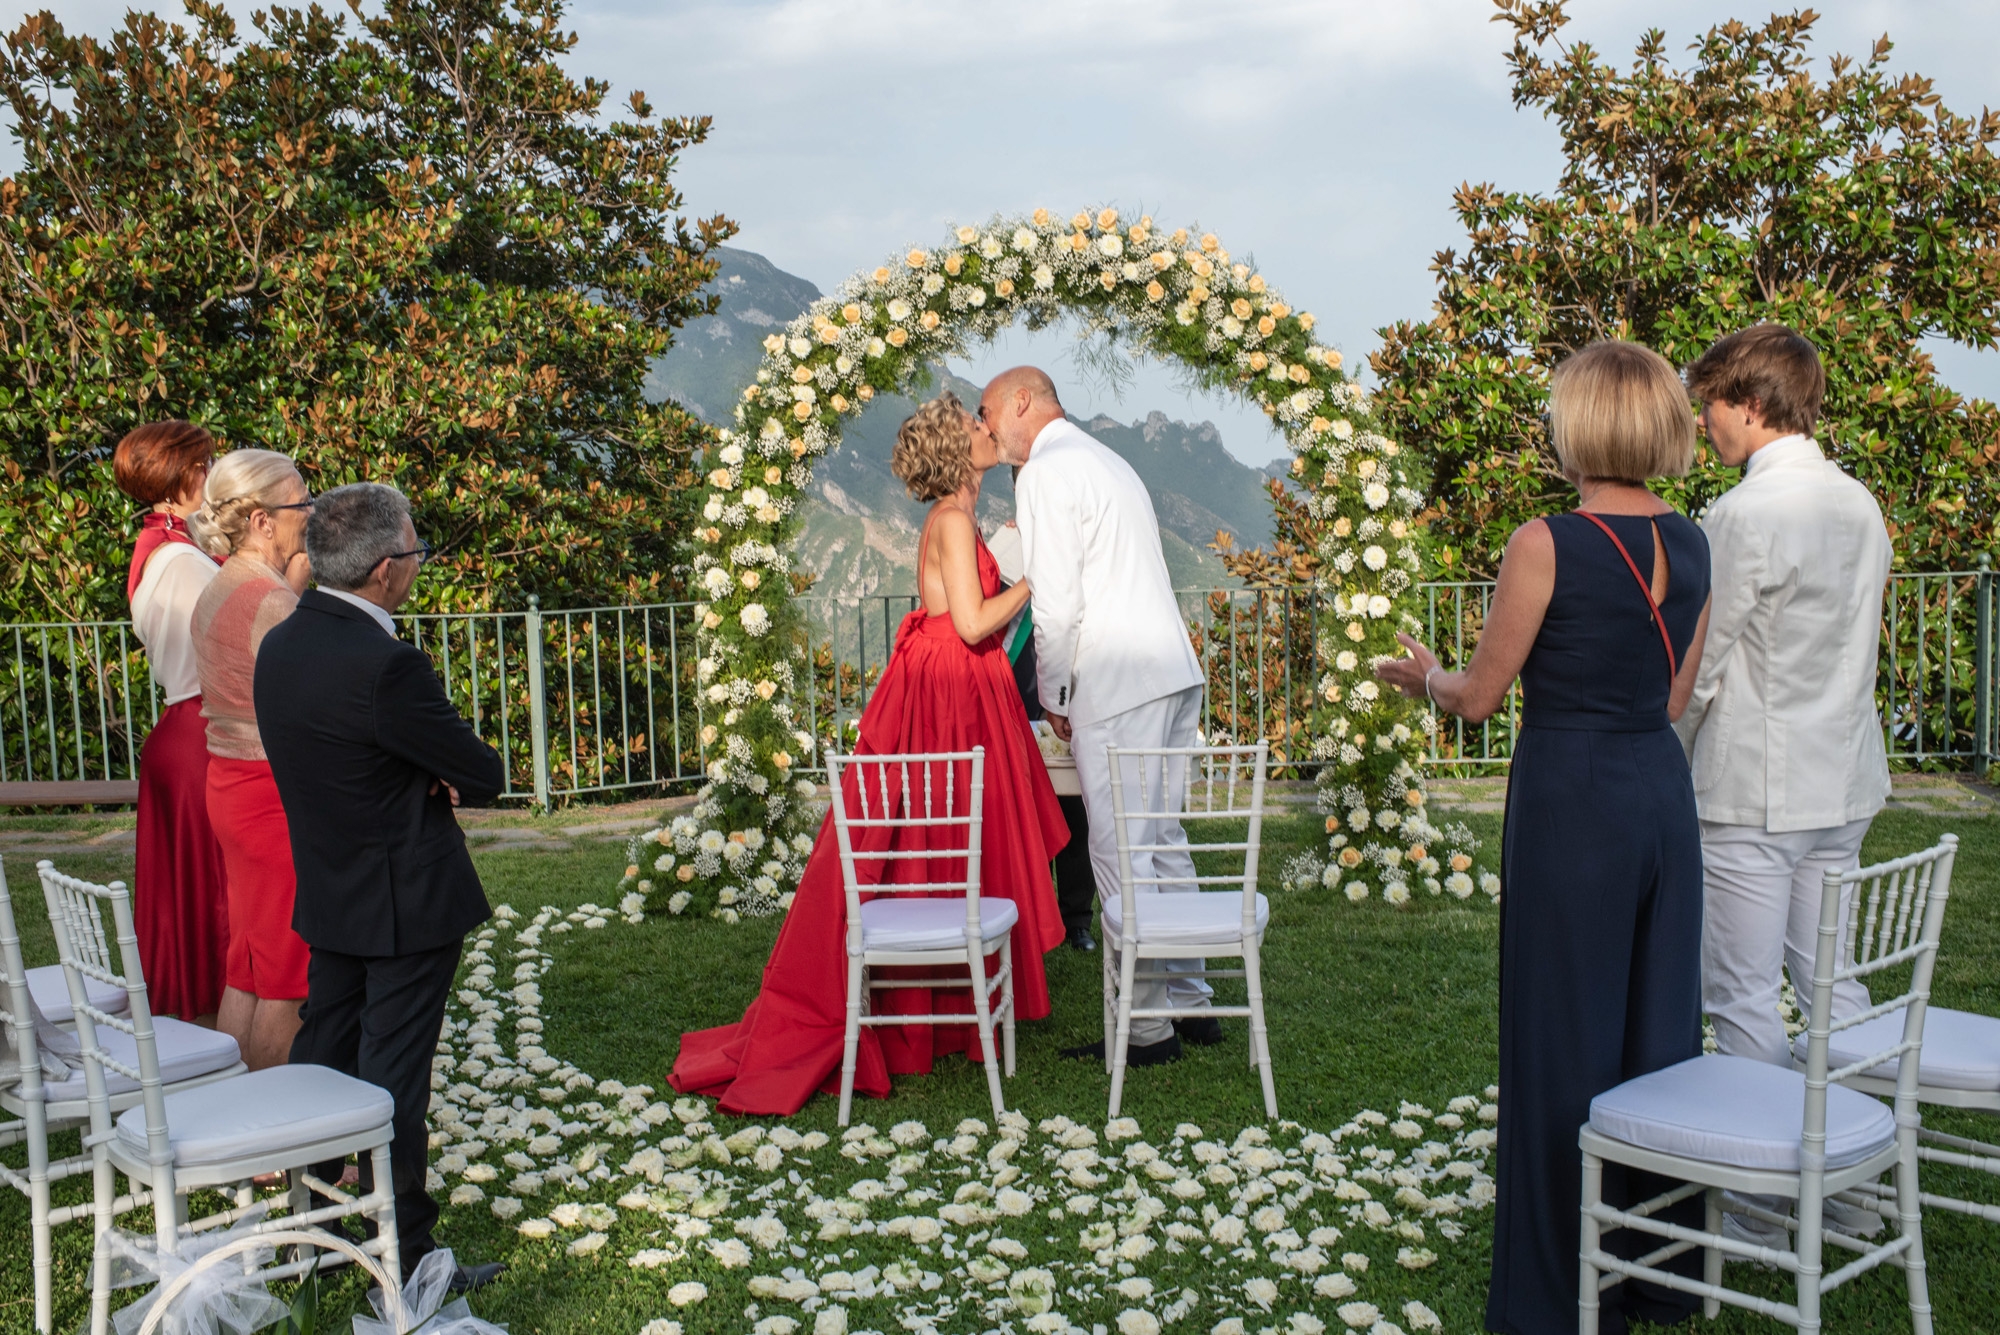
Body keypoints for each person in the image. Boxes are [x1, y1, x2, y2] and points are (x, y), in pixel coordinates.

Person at [1377, 341, 1712, 1335]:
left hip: (1571, 799)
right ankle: (1651, 1268)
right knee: (1656, 1029)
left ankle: (1553, 1284)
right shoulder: (1694, 541)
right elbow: (1675, 696)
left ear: (1578, 426)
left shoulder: (1544, 541)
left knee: (1558, 1032)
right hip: (1659, 792)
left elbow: (1478, 700)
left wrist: (1426, 677)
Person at [671, 393, 1070, 1115]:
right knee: (940, 835)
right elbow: (975, 621)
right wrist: (1038, 580)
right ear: (957, 450)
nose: (987, 431)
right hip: (950, 690)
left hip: (949, 686)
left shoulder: (957, 518)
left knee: (933, 838)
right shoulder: (950, 519)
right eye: (976, 426)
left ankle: (937, 1008)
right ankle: (932, 1010)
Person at [255, 483, 506, 1291]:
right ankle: (406, 1256)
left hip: (330, 891)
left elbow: (333, 763)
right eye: (416, 551)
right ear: (385, 571)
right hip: (405, 901)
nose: (417, 564)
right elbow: (483, 773)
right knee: (393, 1081)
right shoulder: (386, 664)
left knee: (327, 1052)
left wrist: (409, 772)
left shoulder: (283, 645)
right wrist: (428, 774)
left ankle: (317, 1231)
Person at [1679, 324, 1893, 1244]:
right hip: (1842, 779)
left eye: (1712, 403)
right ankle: (1849, 1180)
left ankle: (1768, 1199)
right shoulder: (1861, 505)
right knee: (1837, 988)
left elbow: (1702, 667)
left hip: (1753, 791)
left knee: (1740, 996)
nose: (1704, 423)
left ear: (1753, 402)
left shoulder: (1742, 517)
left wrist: (1659, 740)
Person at [981, 366, 1218, 1064]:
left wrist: (1055, 696)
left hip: (1118, 683)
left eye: (990, 412)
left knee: (1119, 853)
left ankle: (1145, 1029)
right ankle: (1191, 998)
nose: (988, 427)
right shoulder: (1105, 459)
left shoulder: (1048, 472)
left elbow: (1056, 601)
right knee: (1163, 839)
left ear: (1022, 401)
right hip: (1169, 671)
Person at [189, 449, 314, 1069]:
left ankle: (235, 1099)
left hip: (229, 784)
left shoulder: (220, 585)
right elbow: (307, 707)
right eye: (300, 502)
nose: (310, 512)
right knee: (290, 971)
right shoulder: (272, 603)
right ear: (264, 520)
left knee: (248, 961)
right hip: (271, 794)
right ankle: (274, 1131)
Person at [114, 421, 227, 1023]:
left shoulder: (161, 546)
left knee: (188, 891)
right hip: (202, 730)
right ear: (183, 475)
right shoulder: (181, 561)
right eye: (205, 465)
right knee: (209, 893)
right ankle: (209, 1016)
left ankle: (195, 1014)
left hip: (180, 729)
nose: (211, 474)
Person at [987, 506, 1098, 951]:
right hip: (1014, 685)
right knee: (1018, 810)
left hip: (1063, 692)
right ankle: (1029, 915)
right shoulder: (1006, 543)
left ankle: (1077, 919)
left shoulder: (1078, 545)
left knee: (1075, 810)